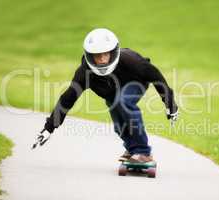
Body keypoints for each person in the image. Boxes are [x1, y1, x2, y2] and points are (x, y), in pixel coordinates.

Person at [32, 28, 178, 163]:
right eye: (97, 56)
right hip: (112, 92)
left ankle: (143, 152)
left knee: (123, 102)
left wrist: (170, 104)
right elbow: (67, 100)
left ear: (113, 52)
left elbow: (156, 77)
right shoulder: (84, 74)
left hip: (136, 82)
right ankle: (132, 148)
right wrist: (49, 128)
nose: (102, 59)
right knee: (118, 120)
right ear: (89, 56)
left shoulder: (130, 60)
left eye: (106, 54)